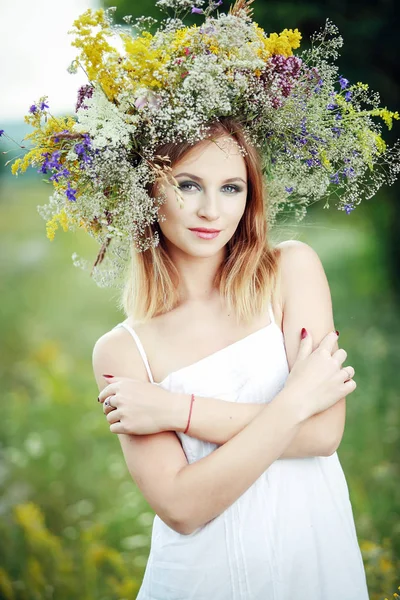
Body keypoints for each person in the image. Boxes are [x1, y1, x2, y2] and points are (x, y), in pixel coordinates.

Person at [92, 117, 370, 599]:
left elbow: (324, 434)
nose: (211, 210)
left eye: (231, 187)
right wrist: (295, 403)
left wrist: (176, 410)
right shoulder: (121, 350)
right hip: (203, 577)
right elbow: (182, 506)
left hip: (314, 560)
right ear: (147, 189)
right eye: (188, 185)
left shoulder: (289, 271)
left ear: (250, 195)